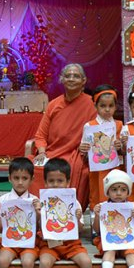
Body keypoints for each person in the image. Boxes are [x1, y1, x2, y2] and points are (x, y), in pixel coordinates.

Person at [36, 158, 97, 268]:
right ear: (45, 182)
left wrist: (77, 219)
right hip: (49, 243)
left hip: (70, 243)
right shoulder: (41, 202)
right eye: (51, 181)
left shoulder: (73, 202)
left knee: (86, 263)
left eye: (60, 181)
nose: (55, 185)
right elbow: (35, 228)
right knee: (44, 264)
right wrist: (38, 215)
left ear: (68, 182)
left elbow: (79, 230)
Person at [32, 64, 97, 205]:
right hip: (51, 152)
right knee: (35, 167)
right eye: (68, 76)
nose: (71, 79)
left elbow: (97, 133)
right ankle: (39, 211)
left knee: (76, 169)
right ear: (62, 79)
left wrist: (87, 147)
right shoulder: (53, 105)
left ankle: (70, 212)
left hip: (77, 153)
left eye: (76, 76)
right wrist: (42, 152)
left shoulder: (92, 104)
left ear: (84, 81)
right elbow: (41, 135)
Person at [94, 169, 134, 268]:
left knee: (131, 253)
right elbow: (97, 230)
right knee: (110, 251)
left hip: (127, 240)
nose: (118, 193)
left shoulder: (132, 209)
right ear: (107, 191)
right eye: (114, 189)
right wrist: (97, 215)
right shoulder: (102, 207)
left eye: (123, 189)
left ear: (128, 192)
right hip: (109, 239)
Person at [79, 86, 123, 213]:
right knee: (98, 193)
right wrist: (83, 148)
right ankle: (98, 224)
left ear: (116, 106)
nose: (107, 109)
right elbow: (84, 150)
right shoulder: (89, 126)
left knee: (116, 193)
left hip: (115, 168)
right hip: (97, 170)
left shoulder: (119, 125)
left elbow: (123, 150)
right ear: (95, 106)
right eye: (103, 106)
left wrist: (120, 146)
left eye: (111, 106)